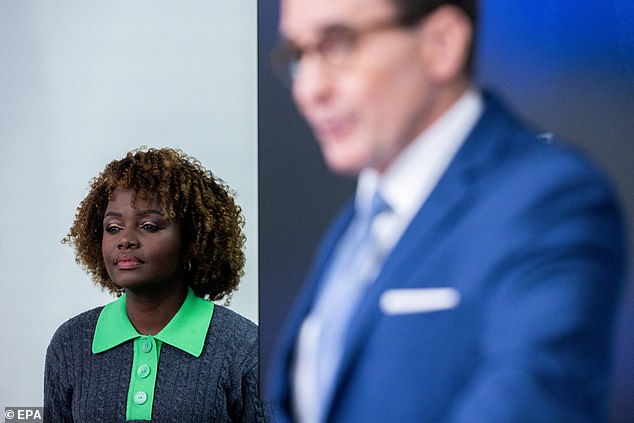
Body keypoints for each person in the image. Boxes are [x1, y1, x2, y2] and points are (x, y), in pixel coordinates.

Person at [265, 0, 626, 422]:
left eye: (337, 45)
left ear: (442, 43)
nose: (308, 89)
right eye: (297, 54)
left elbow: (532, 400)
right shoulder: (356, 224)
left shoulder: (551, 199)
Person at [44, 147, 268, 422]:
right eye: (113, 228)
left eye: (148, 226)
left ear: (191, 241)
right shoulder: (71, 343)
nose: (125, 240)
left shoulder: (244, 347)